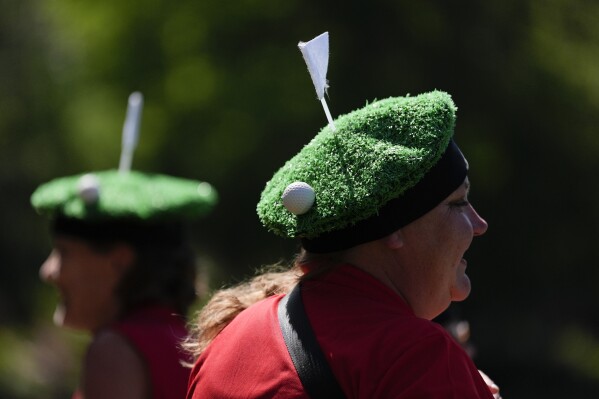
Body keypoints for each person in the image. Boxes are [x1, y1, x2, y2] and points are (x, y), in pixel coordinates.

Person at [186, 90, 500, 399]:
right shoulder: (416, 359)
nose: (479, 225)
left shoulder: (230, 340)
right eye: (458, 203)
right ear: (394, 225)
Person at [32, 169, 217, 399]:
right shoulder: (186, 344)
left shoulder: (113, 350)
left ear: (119, 262)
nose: (48, 271)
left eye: (63, 252)